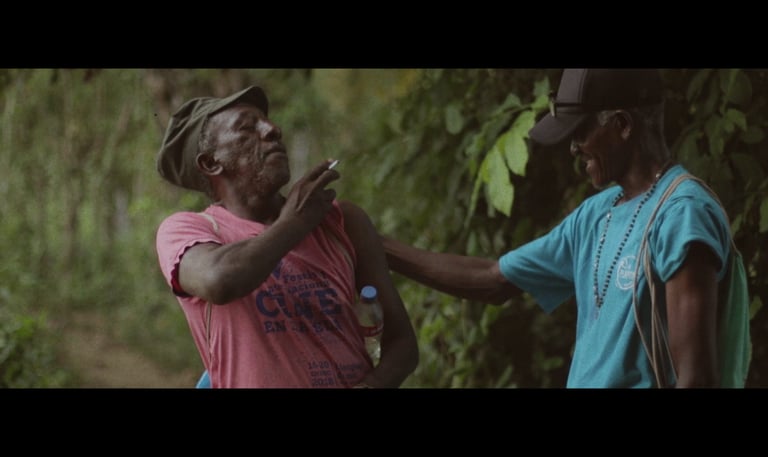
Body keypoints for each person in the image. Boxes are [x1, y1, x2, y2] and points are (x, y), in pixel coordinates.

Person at [382, 69, 744, 388]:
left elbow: (697, 379)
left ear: (622, 125)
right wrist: (379, 247)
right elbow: (494, 279)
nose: (573, 148)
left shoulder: (681, 215)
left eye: (581, 132)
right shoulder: (596, 215)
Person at [154, 85, 418, 388]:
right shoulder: (188, 230)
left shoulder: (340, 222)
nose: (273, 130)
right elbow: (220, 281)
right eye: (247, 128)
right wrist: (295, 223)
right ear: (211, 163)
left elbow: (402, 343)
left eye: (268, 122)